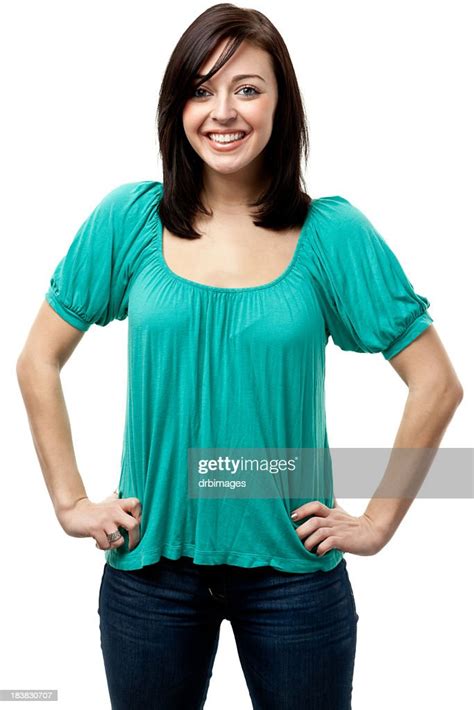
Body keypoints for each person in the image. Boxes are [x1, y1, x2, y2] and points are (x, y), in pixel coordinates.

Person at [16, 3, 463, 709]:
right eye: (201, 90)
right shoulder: (129, 219)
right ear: (178, 108)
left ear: (281, 102)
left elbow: (436, 383)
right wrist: (70, 501)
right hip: (151, 572)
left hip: (294, 579)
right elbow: (37, 358)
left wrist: (377, 521)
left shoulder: (332, 234)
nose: (222, 112)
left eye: (247, 88)